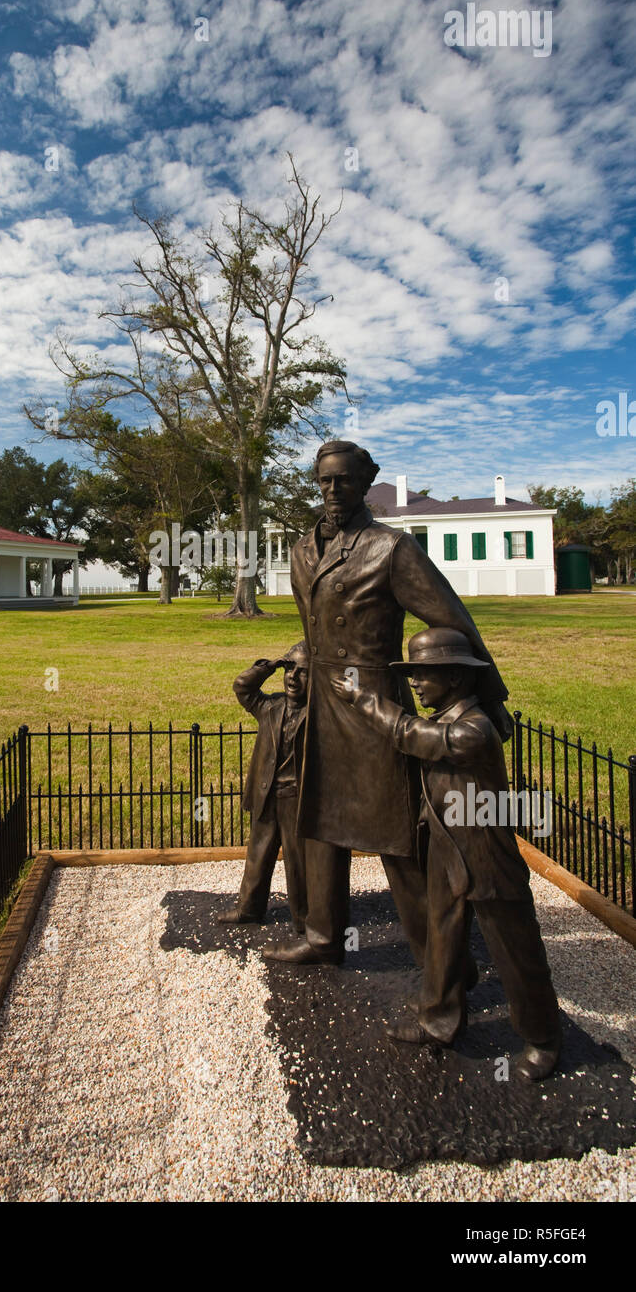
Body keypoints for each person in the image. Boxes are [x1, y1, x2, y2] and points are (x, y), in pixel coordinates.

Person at [264, 439, 512, 968]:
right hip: (321, 702)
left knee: (397, 836)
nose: (334, 489)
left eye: (345, 480)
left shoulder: (391, 548)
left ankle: (443, 965)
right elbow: (313, 626)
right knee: (319, 820)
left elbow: (453, 620)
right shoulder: (302, 549)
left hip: (372, 702)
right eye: (325, 480)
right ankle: (323, 935)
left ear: (366, 480)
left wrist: (488, 697)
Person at [331, 626, 561, 1082]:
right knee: (443, 934)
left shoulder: (473, 730)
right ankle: (439, 1019)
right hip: (446, 845)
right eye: (412, 674)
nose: (414, 682)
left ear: (455, 679)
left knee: (515, 950)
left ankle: (543, 1039)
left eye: (422, 674)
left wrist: (363, 698)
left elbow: (411, 734)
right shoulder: (447, 719)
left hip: (484, 855)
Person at [219, 641, 344, 953]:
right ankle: (249, 908)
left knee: (297, 862)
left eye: (302, 673)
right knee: (257, 855)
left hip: (296, 799)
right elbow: (242, 687)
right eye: (289, 670)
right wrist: (268, 666)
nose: (293, 677)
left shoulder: (320, 715)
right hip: (266, 794)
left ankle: (304, 922)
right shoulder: (270, 707)